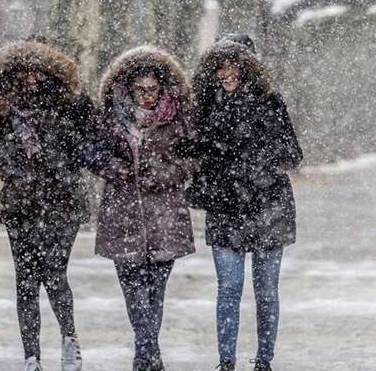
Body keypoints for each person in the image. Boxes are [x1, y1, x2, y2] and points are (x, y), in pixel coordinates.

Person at [176, 39, 302, 371]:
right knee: (229, 288)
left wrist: (255, 159)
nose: (226, 73)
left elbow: (293, 154)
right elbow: (190, 150)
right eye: (219, 67)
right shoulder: (204, 106)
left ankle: (264, 361)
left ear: (248, 67)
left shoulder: (270, 102)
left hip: (268, 207)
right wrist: (199, 154)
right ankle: (226, 362)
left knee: (266, 290)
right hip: (225, 208)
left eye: (233, 65)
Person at [0, 39, 91, 371]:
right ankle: (32, 357)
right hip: (21, 203)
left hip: (63, 201)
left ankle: (69, 340)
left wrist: (60, 165)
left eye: (37, 70)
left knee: (55, 272)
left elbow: (87, 139)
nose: (31, 77)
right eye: (24, 70)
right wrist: (16, 174)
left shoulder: (70, 101)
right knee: (26, 280)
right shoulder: (3, 103)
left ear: (50, 69)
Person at [89, 46, 196, 371]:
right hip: (122, 215)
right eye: (140, 89)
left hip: (165, 216)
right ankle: (148, 353)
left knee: (155, 291)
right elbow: (91, 151)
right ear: (128, 88)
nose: (147, 96)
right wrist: (114, 168)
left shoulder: (178, 117)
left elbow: (195, 157)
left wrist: (167, 173)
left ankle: (145, 353)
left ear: (163, 87)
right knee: (133, 291)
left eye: (153, 89)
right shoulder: (110, 116)